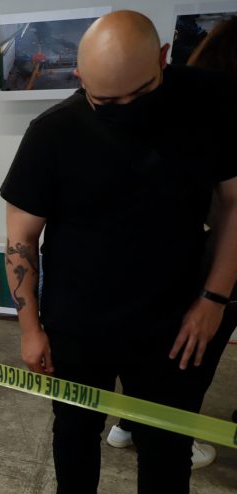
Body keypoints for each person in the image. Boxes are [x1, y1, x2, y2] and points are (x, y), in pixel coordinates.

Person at [1, 10, 237, 494]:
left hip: (177, 320)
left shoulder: (210, 103)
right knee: (74, 431)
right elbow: (22, 237)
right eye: (108, 99)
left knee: (168, 443)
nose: (125, 108)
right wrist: (30, 328)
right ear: (79, 75)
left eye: (139, 93)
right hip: (78, 320)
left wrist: (214, 300)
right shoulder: (53, 132)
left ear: (164, 58)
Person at [105, 16, 237, 466]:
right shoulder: (214, 106)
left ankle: (132, 421)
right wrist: (216, 296)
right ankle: (156, 429)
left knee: (174, 343)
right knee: (192, 347)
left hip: (191, 246)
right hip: (203, 250)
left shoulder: (191, 98)